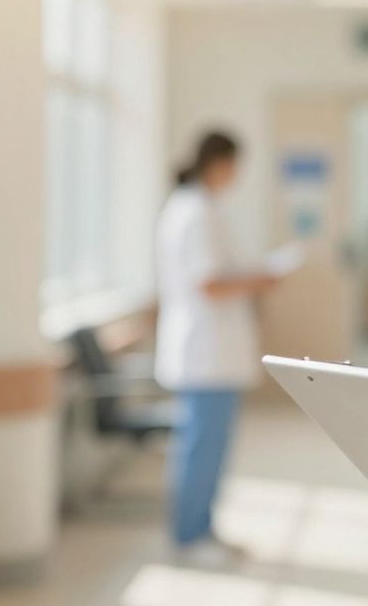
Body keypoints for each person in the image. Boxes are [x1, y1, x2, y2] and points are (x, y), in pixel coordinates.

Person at [155, 130, 278, 562]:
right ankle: (191, 536)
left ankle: (201, 528)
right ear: (220, 163)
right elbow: (208, 283)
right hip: (204, 352)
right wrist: (259, 280)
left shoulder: (197, 207)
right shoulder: (194, 212)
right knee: (202, 448)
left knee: (209, 447)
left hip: (210, 351)